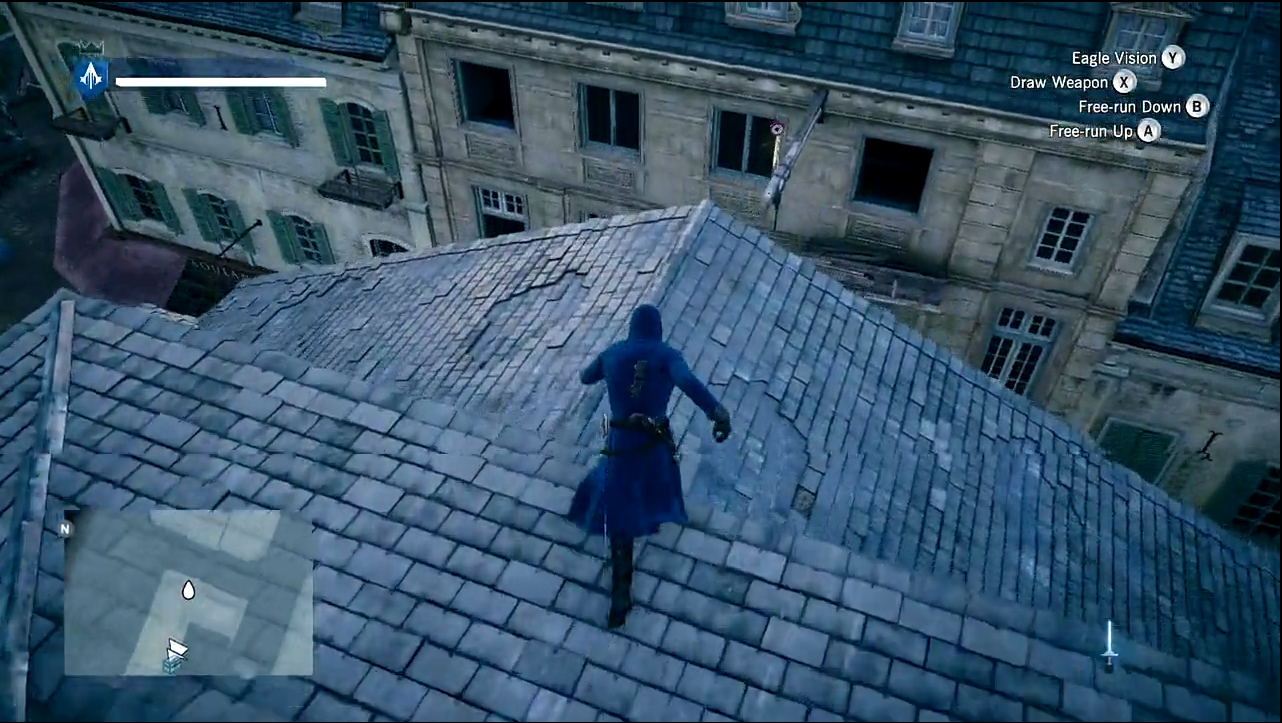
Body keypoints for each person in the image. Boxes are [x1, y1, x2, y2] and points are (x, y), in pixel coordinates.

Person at [567, 304, 732, 628]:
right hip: (653, 445)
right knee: (650, 496)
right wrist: (718, 412)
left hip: (621, 444)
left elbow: (586, 377)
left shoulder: (613, 353)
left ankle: (620, 592)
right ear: (657, 328)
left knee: (620, 506)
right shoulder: (667, 356)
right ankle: (639, 542)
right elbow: (688, 382)